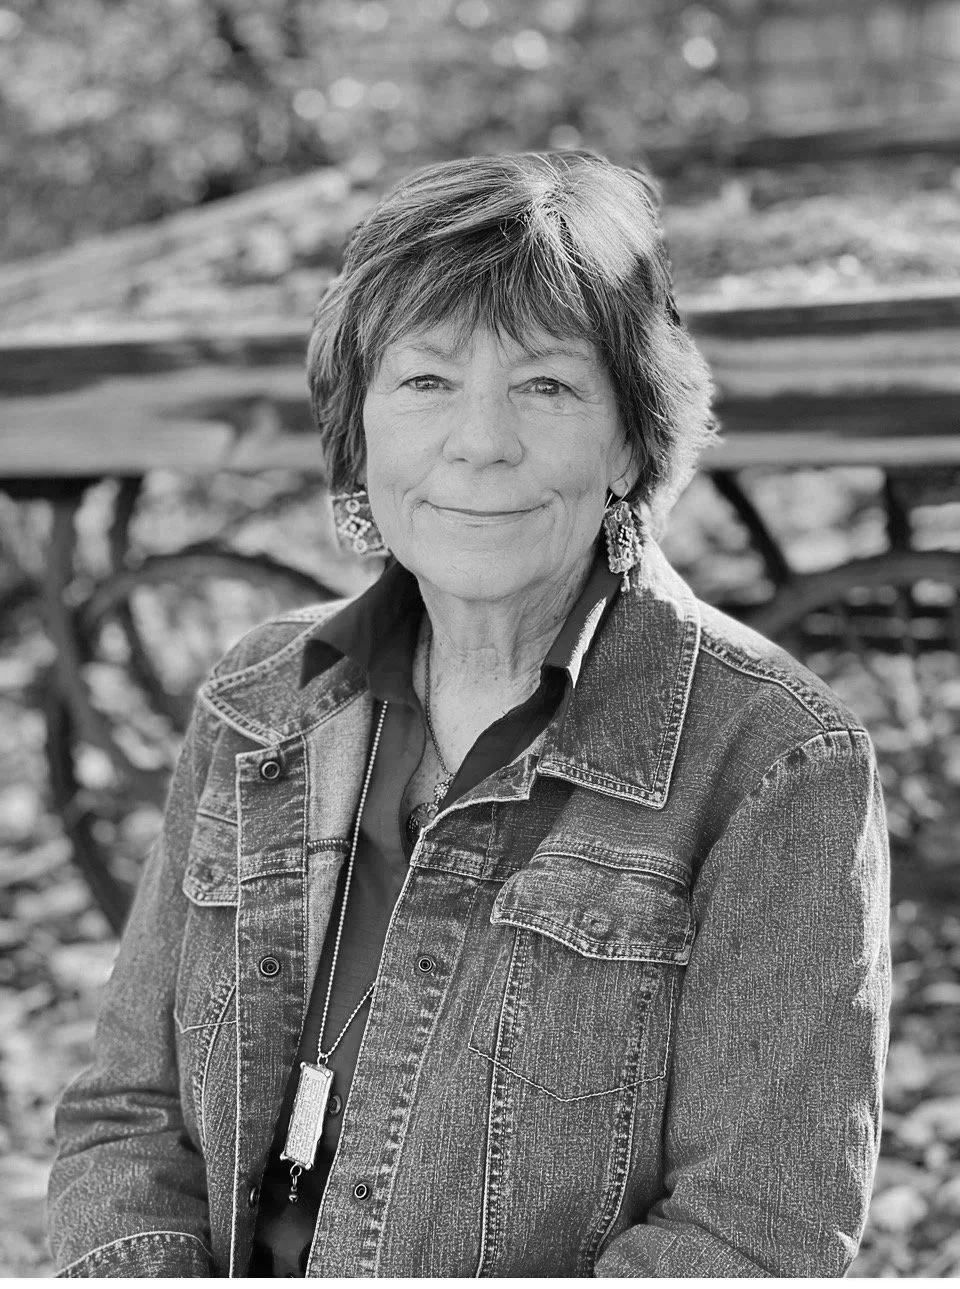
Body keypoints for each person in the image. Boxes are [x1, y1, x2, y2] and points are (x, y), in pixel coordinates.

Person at [48, 150, 890, 1278]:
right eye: (427, 382)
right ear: (360, 435)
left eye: (546, 385)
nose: (481, 440)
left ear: (633, 440)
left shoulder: (778, 761)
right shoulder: (260, 699)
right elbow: (126, 1113)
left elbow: (756, 1238)